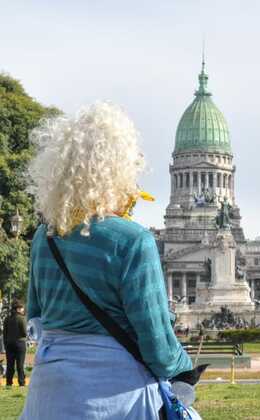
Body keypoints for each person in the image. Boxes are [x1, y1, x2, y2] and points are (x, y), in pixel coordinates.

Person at [21, 102, 193, 419]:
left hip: (50, 395)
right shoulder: (132, 240)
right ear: (121, 169)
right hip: (115, 397)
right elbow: (157, 345)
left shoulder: (44, 238)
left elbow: (35, 319)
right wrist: (186, 369)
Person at [2, 301, 27, 387]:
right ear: (18, 309)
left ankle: (9, 383)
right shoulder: (22, 318)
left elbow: (4, 333)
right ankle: (21, 383)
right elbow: (24, 332)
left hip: (9, 344)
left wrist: (6, 344)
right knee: (20, 365)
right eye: (22, 308)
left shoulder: (7, 319)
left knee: (10, 365)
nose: (23, 309)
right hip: (20, 343)